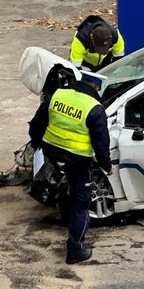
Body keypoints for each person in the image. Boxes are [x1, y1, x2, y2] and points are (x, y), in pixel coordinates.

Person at [29, 71, 112, 265]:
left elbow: (36, 125)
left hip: (52, 153)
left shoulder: (57, 95)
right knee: (80, 204)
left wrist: (37, 144)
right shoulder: (95, 109)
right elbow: (101, 145)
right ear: (97, 87)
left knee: (67, 192)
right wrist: (107, 166)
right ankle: (74, 250)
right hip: (78, 162)